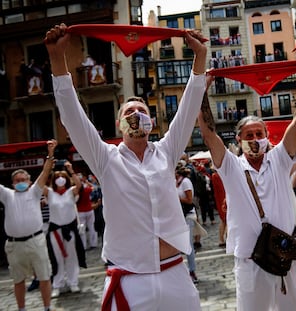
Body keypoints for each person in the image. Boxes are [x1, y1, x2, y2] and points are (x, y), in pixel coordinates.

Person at [44, 23, 207, 310]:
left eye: (141, 111)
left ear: (151, 123)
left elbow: (189, 107)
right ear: (120, 125)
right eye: (128, 112)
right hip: (130, 280)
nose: (135, 114)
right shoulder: (105, 158)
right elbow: (72, 116)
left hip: (175, 274)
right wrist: (58, 58)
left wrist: (200, 58)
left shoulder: (167, 152)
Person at [198, 59, 296, 310]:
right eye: (249, 135)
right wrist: (202, 91)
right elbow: (208, 134)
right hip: (249, 261)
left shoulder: (279, 158)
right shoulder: (231, 165)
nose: (256, 139)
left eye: (260, 134)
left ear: (267, 137)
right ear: (238, 139)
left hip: (285, 257)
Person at [1, 140, 56, 311]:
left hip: (35, 241)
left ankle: (47, 307)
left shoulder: (34, 192)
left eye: (23, 179)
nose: (20, 182)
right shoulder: (7, 195)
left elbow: (46, 171)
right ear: (13, 183)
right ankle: (21, 309)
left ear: (29, 181)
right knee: (18, 280)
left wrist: (50, 152)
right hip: (14, 244)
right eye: (17, 180)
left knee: (44, 277)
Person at [44, 160, 86, 298]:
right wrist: (48, 167)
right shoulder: (49, 193)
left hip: (70, 230)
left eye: (62, 177)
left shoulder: (70, 192)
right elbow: (40, 184)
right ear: (53, 180)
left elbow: (79, 185)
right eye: (57, 178)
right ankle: (57, 284)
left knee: (72, 257)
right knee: (56, 258)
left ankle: (73, 282)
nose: (60, 179)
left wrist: (71, 170)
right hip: (55, 231)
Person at [175, 164, 199, 284]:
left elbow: (190, 199)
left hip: (188, 215)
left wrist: (175, 197)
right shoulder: (175, 182)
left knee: (188, 244)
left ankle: (192, 271)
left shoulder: (185, 182)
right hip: (178, 216)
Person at [76, 173, 98, 250]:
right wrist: (86, 181)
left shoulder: (76, 189)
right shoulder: (87, 188)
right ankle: (93, 243)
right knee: (91, 227)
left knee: (82, 230)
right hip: (89, 210)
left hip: (80, 211)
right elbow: (93, 188)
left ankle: (83, 246)